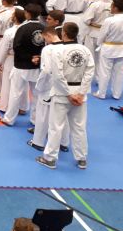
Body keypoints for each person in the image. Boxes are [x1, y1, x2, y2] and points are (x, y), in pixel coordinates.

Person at [36, 22, 93, 170]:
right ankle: (82, 158)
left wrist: (68, 94)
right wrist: (81, 93)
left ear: (64, 34)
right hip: (80, 93)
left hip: (62, 93)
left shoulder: (58, 51)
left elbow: (58, 75)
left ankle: (50, 158)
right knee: (79, 127)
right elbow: (89, 73)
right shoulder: (85, 50)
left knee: (56, 127)